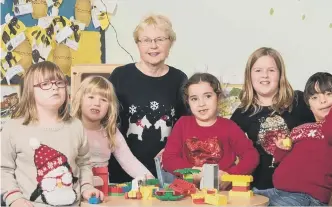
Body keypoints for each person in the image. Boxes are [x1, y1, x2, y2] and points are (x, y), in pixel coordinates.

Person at [1, 61, 102, 207]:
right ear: (30, 90)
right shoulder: (13, 128)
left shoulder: (76, 126)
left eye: (59, 83)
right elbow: (3, 169)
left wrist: (87, 187)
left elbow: (84, 163)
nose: (55, 87)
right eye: (46, 84)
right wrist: (15, 199)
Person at [108, 14, 188, 183]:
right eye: (146, 40)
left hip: (166, 173)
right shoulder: (120, 76)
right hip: (122, 174)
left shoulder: (179, 79)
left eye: (160, 39)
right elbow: (106, 123)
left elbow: (186, 126)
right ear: (137, 44)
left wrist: (172, 149)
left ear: (170, 43)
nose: (153, 46)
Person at [257, 72, 332, 206]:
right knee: (243, 199)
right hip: (278, 192)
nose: (323, 100)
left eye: (328, 93)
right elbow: (280, 160)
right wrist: (281, 149)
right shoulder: (301, 129)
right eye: (314, 97)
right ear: (309, 105)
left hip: (307, 198)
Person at [230, 47, 315, 190]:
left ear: (280, 74)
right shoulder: (243, 112)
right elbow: (226, 147)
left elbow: (321, 133)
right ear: (249, 75)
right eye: (258, 70)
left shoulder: (299, 101)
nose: (265, 75)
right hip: (259, 189)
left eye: (271, 70)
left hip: (298, 188)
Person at [162, 73, 259, 190]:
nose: (201, 103)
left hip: (223, 194)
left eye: (207, 96)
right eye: (194, 99)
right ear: (188, 102)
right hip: (189, 193)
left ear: (218, 97)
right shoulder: (182, 124)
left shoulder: (229, 126)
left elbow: (251, 156)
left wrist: (230, 176)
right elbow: (169, 158)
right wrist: (192, 172)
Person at [71, 76, 154, 194]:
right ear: (80, 100)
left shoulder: (111, 131)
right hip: (74, 189)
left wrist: (149, 178)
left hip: (102, 190)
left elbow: (129, 161)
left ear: (110, 107)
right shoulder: (70, 129)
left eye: (104, 100)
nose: (97, 103)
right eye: (91, 97)